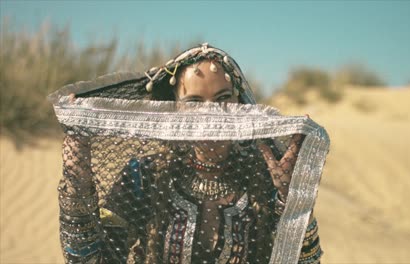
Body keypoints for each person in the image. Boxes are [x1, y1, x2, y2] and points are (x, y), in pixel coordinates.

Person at [58, 43, 324, 263]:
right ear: (174, 109)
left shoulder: (263, 177)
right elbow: (89, 260)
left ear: (239, 103)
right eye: (194, 102)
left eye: (222, 99)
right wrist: (77, 184)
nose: (210, 115)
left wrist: (293, 200)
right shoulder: (143, 175)